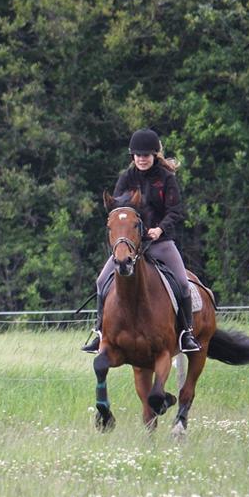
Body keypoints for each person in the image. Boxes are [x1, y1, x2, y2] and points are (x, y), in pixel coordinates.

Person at [81, 128, 202, 354]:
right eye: (137, 155)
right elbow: (117, 210)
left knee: (183, 283)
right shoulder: (127, 177)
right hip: (130, 244)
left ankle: (187, 333)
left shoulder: (166, 178)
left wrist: (159, 229)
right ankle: (99, 331)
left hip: (160, 242)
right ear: (132, 156)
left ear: (154, 155)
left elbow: (175, 211)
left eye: (145, 155)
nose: (141, 159)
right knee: (100, 282)